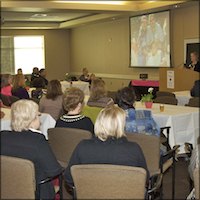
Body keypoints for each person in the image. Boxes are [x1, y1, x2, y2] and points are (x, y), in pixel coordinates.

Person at [64, 105, 149, 186]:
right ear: (121, 125)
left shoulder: (82, 147)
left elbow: (69, 178)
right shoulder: (133, 149)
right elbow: (144, 179)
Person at [0, 100, 62, 199]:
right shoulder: (37, 140)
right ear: (31, 120)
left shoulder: (2, 136)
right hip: (36, 191)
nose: (40, 120)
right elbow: (53, 171)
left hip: (5, 188)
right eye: (37, 116)